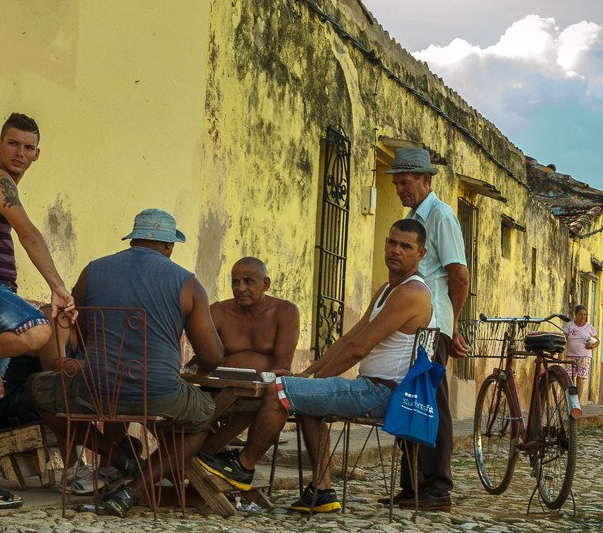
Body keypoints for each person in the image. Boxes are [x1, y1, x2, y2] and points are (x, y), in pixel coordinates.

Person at [197, 219, 434, 515]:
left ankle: (243, 466)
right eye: (392, 242)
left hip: (382, 393)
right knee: (305, 397)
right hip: (371, 387)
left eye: (406, 246)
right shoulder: (388, 289)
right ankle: (322, 491)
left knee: (279, 391)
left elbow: (359, 348)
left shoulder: (411, 292)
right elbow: (350, 337)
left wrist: (310, 380)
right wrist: (309, 376)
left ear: (421, 253)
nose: (396, 250)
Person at [28, 208, 224, 518]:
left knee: (37, 389)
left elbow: (82, 333)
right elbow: (212, 357)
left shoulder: (92, 272)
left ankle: (120, 457)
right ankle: (134, 490)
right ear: (169, 246)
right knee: (203, 415)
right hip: (159, 393)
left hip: (96, 390)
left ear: (133, 240)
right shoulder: (187, 283)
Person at [0, 113, 75, 509]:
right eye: (12, 143)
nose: (19, 152)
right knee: (38, 331)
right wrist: (58, 286)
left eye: (27, 147)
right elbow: (28, 233)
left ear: (37, 154)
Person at [385, 147, 468, 511]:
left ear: (425, 179)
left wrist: (452, 323)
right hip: (416, 324)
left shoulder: (441, 216)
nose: (401, 188)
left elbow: (459, 275)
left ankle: (438, 486)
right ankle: (413, 486)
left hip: (432, 326)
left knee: (433, 404)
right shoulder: (415, 217)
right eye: (397, 183)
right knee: (412, 399)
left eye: (406, 182)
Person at [210, 257, 299, 375]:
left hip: (267, 390)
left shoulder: (285, 311)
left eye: (249, 281)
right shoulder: (218, 311)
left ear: (265, 284)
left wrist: (260, 388)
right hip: (219, 388)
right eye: (236, 282)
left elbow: (283, 366)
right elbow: (205, 360)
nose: (241, 289)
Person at [561, 305, 598, 403]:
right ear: (576, 315)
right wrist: (560, 352)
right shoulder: (570, 326)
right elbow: (563, 339)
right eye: (581, 314)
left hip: (584, 357)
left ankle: (577, 402)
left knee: (581, 379)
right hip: (570, 356)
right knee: (569, 378)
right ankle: (569, 401)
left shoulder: (589, 327)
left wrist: (592, 346)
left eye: (585, 314)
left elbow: (597, 341)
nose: (583, 316)